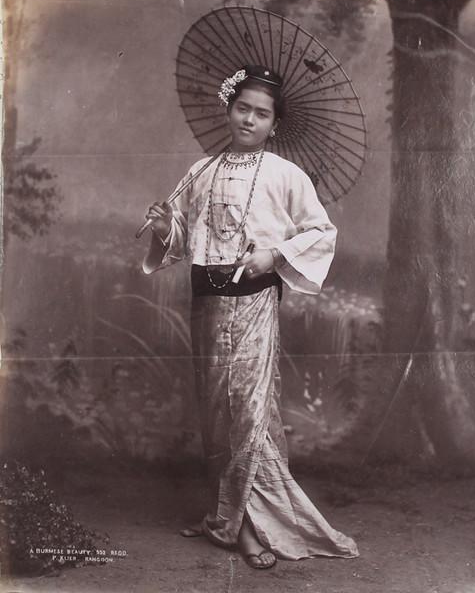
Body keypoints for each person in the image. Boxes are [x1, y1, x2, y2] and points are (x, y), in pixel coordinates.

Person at [142, 65, 358, 569]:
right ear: (229, 109)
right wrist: (163, 226)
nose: (250, 120)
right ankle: (222, 514)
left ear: (274, 124)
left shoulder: (286, 174)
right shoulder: (200, 172)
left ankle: (250, 527)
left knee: (251, 410)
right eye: (243, 108)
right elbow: (181, 243)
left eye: (262, 114)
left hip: (255, 301)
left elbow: (319, 231)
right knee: (216, 409)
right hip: (207, 301)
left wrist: (274, 255)